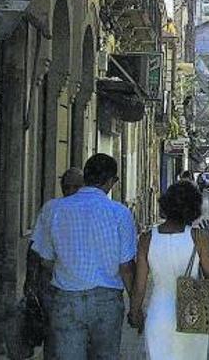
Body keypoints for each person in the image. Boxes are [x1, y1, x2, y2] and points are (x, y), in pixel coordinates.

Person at [31, 154, 137, 360]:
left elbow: (44, 260)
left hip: (67, 299)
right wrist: (135, 306)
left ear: (85, 177)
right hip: (106, 302)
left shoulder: (54, 209)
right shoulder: (120, 213)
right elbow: (126, 267)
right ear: (111, 181)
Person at [129, 182, 209, 360]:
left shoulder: (146, 239)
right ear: (193, 207)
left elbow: (139, 287)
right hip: (192, 315)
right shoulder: (199, 238)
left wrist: (134, 312)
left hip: (159, 314)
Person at [24, 168, 85, 357]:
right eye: (67, 187)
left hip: (81, 288)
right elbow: (35, 249)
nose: (71, 191)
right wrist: (30, 283)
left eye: (76, 187)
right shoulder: (51, 208)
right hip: (52, 286)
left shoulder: (91, 210)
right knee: (53, 336)